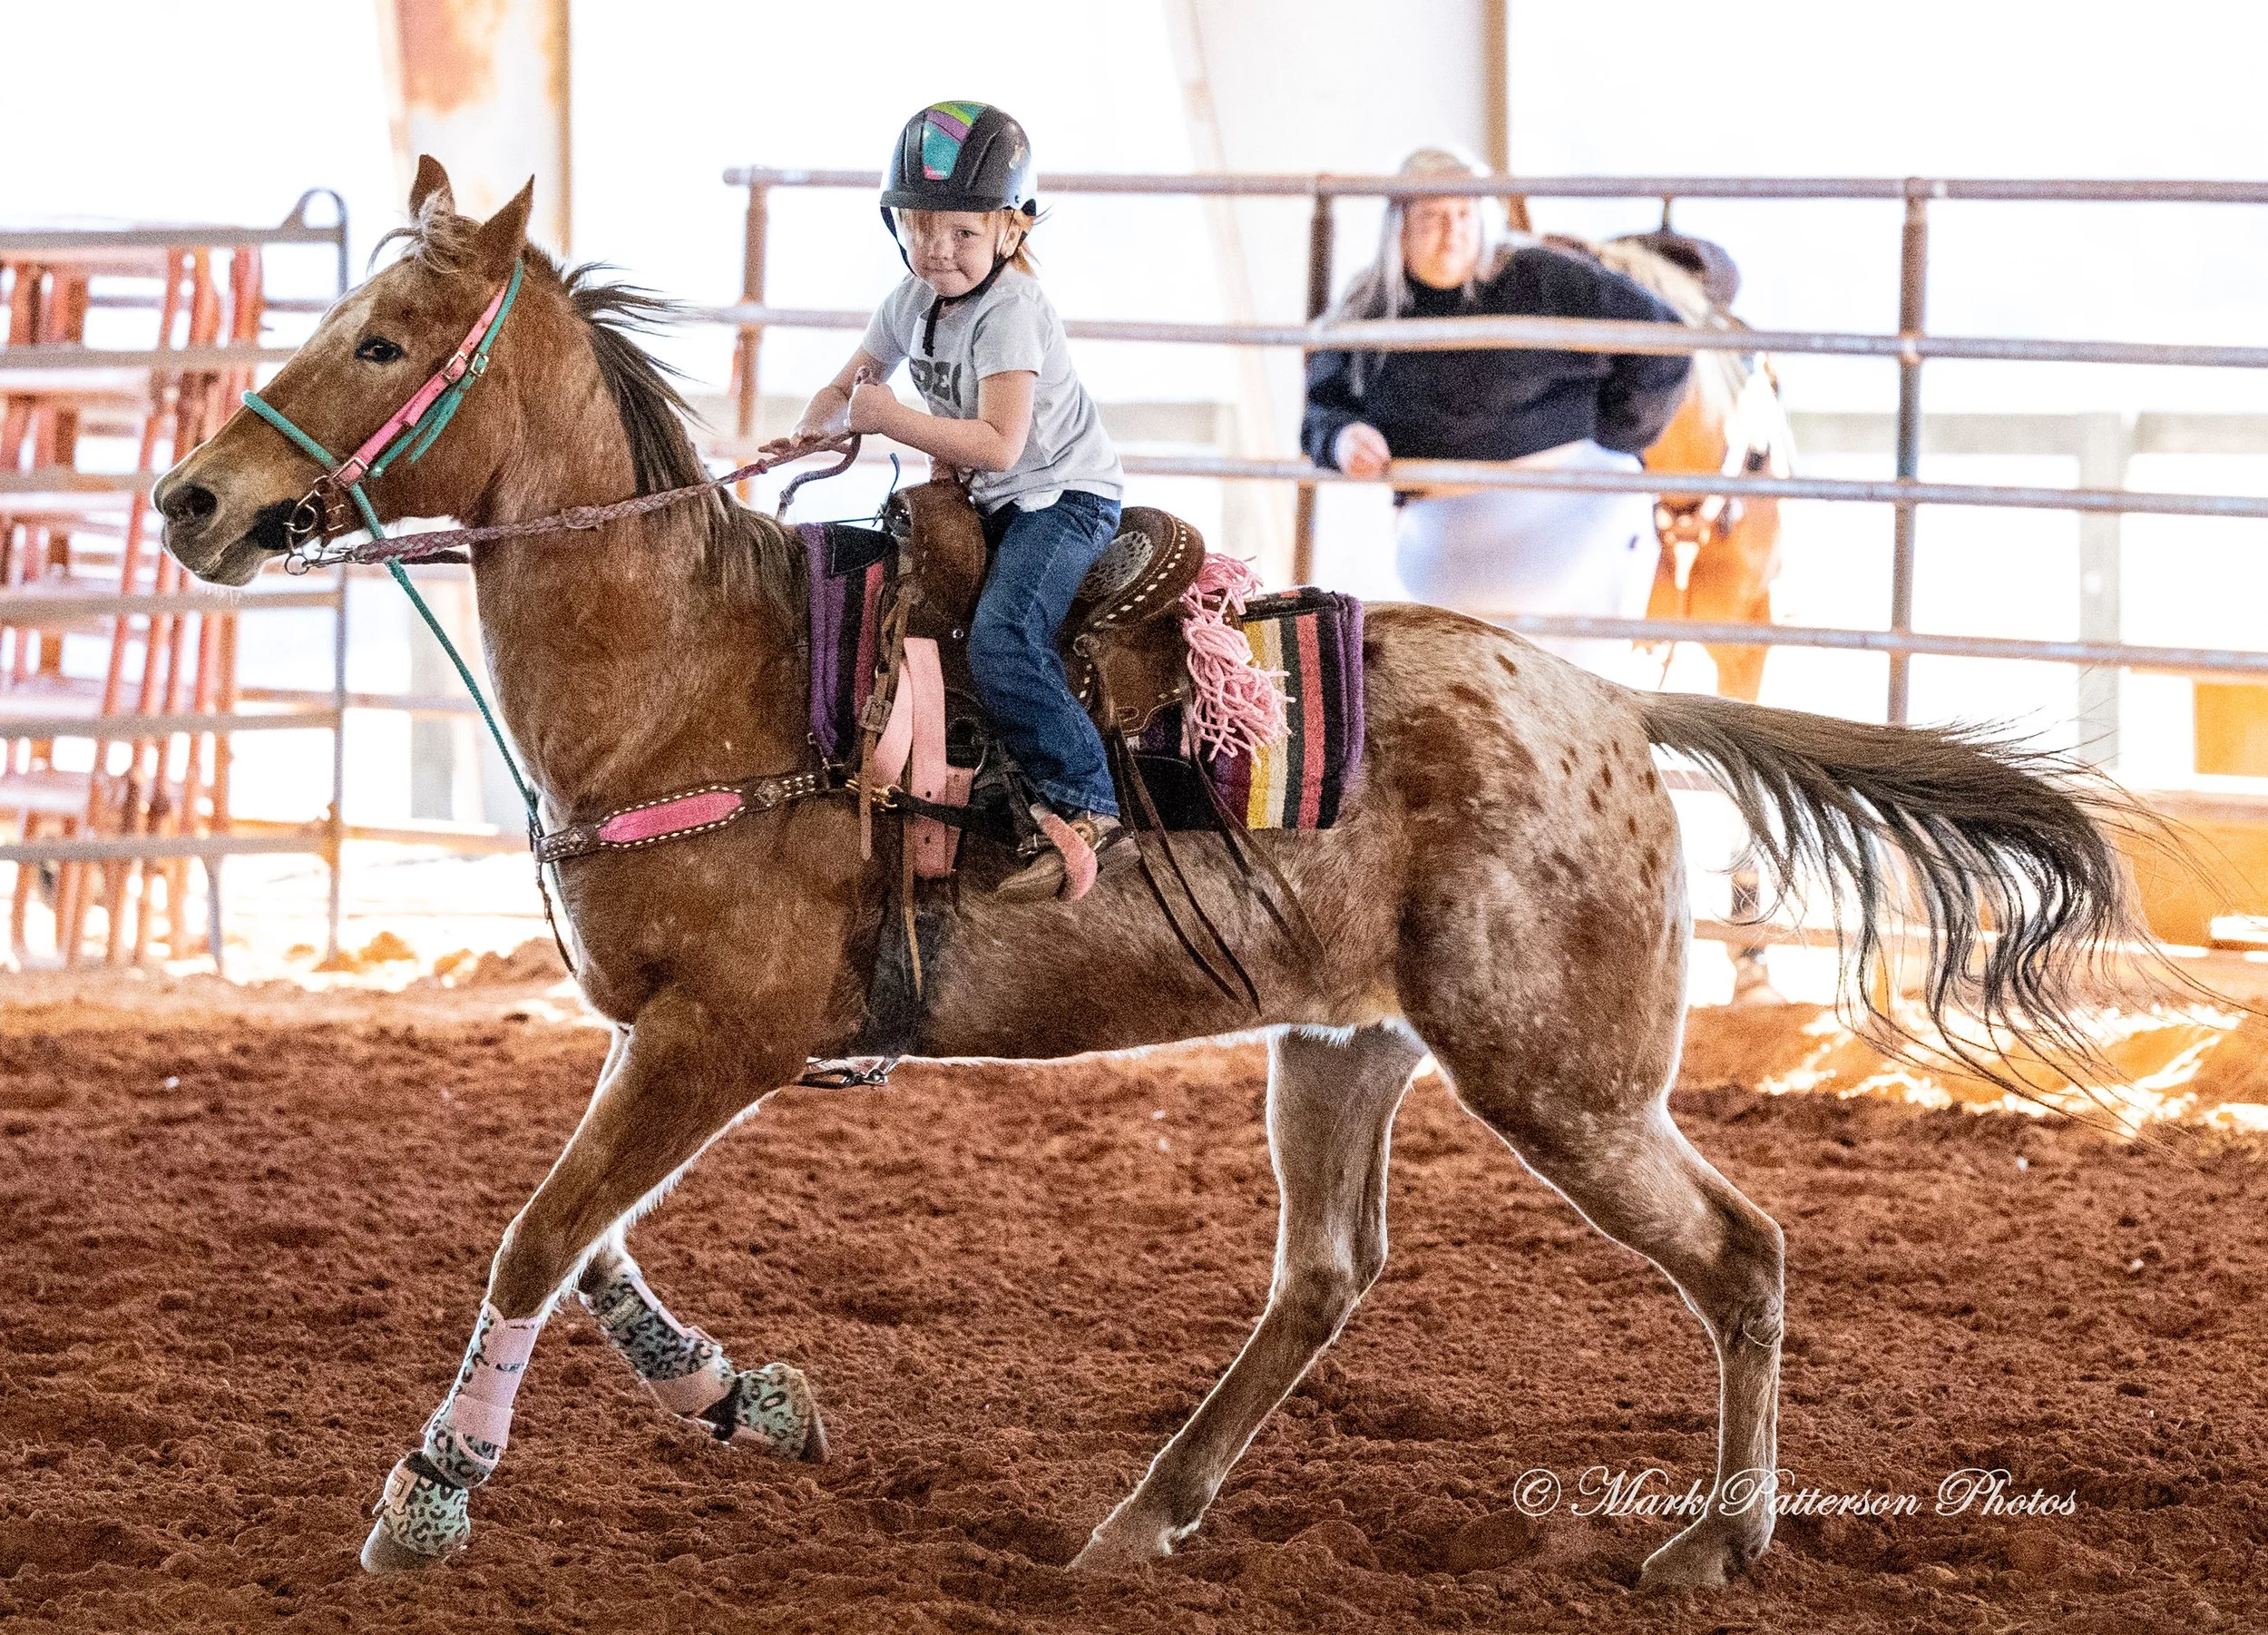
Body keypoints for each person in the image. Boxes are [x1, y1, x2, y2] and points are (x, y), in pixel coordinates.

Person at [769, 102, 1125, 903]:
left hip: (1061, 496)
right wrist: (806, 434)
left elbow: (1000, 443)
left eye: (963, 233)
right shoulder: (907, 303)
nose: (938, 249)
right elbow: (845, 385)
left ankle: (1091, 801)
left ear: (1011, 231)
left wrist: (891, 419)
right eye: (920, 225)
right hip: (1001, 498)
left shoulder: (1012, 313)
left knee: (1002, 637)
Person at [1303, 146, 1692, 677]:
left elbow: (1661, 335)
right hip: (1441, 540)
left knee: (1576, 702)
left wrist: (1620, 431)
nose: (1452, 231)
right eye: (1433, 216)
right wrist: (1344, 437)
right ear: (1399, 227)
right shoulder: (1366, 306)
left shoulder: (1540, 275)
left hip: (1576, 508)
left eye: (1464, 213)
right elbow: (1320, 411)